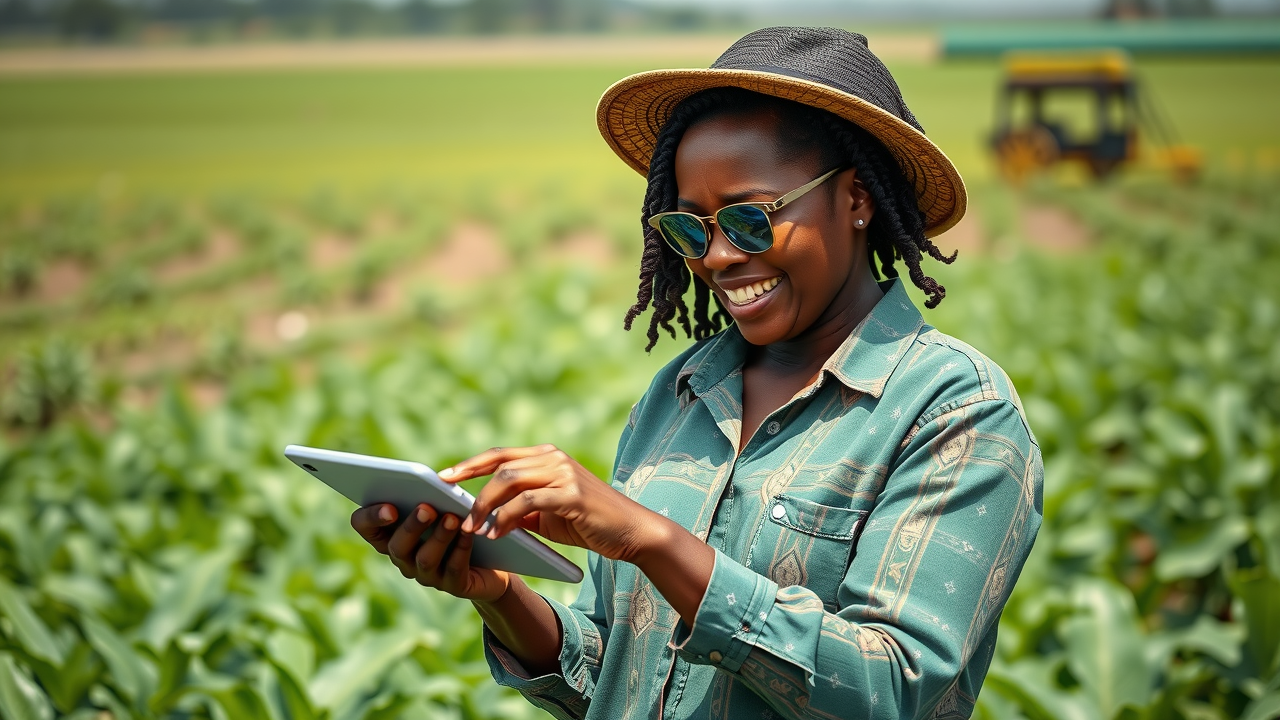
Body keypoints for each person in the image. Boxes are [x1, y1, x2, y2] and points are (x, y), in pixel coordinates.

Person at [351, 27, 1043, 720]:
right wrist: (498, 594)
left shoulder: (955, 413)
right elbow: (610, 676)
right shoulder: (680, 393)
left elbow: (890, 689)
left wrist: (653, 540)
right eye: (689, 229)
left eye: (748, 220)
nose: (714, 258)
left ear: (857, 198)